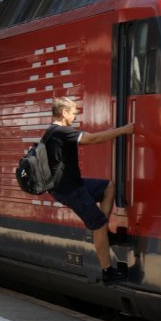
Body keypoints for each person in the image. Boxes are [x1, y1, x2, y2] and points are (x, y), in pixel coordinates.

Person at [46, 97, 134, 285]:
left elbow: (86, 141)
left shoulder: (53, 133)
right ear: (64, 112)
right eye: (73, 112)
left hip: (74, 185)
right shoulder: (61, 132)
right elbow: (92, 139)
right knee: (99, 225)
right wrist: (123, 130)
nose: (75, 115)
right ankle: (108, 272)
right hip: (70, 190)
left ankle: (102, 232)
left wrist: (110, 133)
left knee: (108, 186)